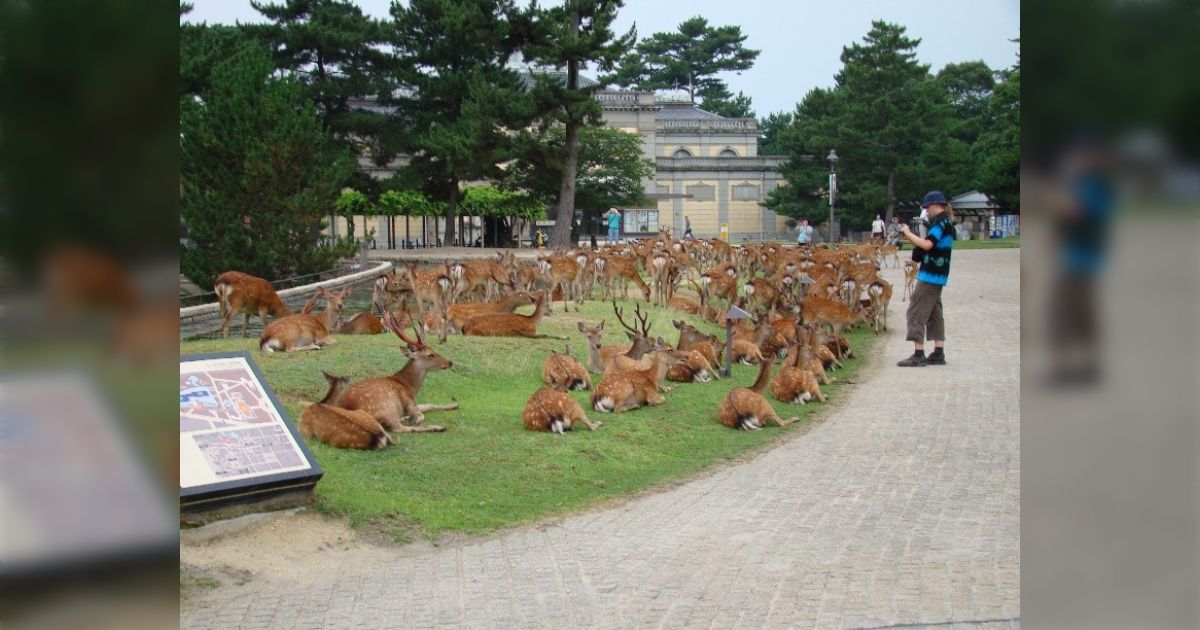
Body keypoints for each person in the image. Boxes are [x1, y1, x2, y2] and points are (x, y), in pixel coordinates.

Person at [896, 191, 955, 367]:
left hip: (930, 274)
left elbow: (928, 244)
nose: (926, 210)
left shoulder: (941, 222)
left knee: (916, 310)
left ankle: (918, 353)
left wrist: (908, 234)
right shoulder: (946, 221)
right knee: (935, 312)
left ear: (936, 205)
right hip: (939, 274)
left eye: (927, 207)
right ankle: (938, 352)